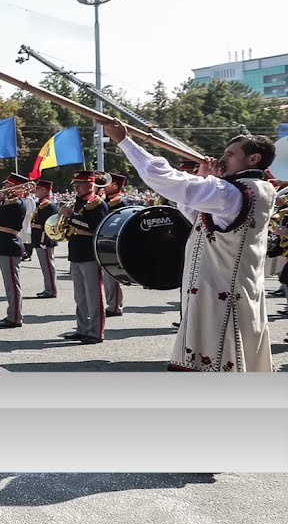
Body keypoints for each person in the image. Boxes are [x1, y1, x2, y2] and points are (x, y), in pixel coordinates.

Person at [102, 118, 275, 371]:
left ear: (253, 159)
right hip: (230, 290)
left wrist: (125, 142)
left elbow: (167, 180)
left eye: (231, 154)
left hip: (219, 295)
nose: (222, 157)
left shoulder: (231, 192)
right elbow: (197, 218)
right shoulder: (257, 189)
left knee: (216, 359)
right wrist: (204, 178)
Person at [61, 171, 110, 345]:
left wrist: (72, 217)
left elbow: (95, 227)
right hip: (75, 252)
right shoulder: (78, 202)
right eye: (75, 184)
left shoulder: (97, 204)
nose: (76, 187)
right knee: (80, 296)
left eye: (80, 184)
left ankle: (96, 331)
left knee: (93, 295)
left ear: (90, 184)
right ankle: (82, 329)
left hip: (89, 254)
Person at [0, 174, 29, 328]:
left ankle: (15, 317)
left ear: (15, 188)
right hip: (3, 244)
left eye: (8, 185)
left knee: (12, 285)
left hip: (9, 245)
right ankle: (13, 315)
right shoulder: (8, 202)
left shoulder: (17, 203)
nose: (4, 188)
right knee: (9, 284)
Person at [100, 173, 128, 317]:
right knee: (106, 276)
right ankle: (112, 303)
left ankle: (115, 305)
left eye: (107, 183)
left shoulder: (120, 202)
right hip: (103, 241)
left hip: (114, 242)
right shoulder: (104, 201)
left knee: (112, 275)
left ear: (115, 185)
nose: (103, 186)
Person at [30, 180, 59, 299]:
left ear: (44, 190)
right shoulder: (42, 204)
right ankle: (48, 288)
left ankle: (51, 290)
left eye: (38, 188)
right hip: (39, 239)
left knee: (48, 266)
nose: (35, 191)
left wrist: (44, 241)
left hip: (45, 240)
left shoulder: (49, 205)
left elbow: (49, 225)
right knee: (45, 266)